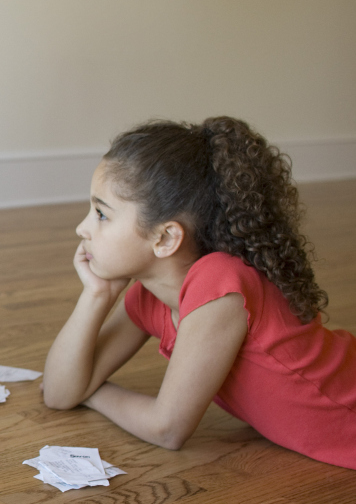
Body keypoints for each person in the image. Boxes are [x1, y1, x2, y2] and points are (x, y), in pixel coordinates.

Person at [42, 116, 355, 469]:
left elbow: (167, 429)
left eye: (101, 213)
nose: (82, 227)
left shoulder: (218, 284)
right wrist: (96, 295)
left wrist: (94, 390)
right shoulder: (150, 296)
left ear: (165, 238)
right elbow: (58, 393)